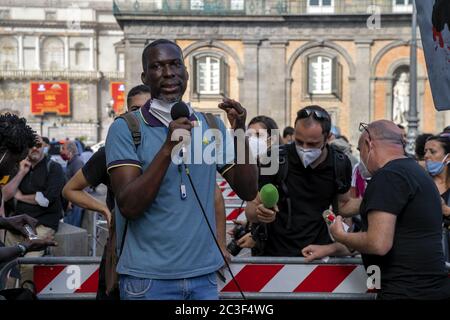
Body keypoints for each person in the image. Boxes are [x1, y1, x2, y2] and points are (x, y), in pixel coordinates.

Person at [105, 39, 257, 300]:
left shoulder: (210, 126)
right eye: (158, 66)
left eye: (175, 64)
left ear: (186, 73)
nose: (169, 73)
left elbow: (247, 189)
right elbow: (129, 205)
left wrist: (240, 130)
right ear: (145, 76)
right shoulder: (126, 128)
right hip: (148, 280)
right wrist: (167, 149)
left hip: (204, 277)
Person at [330, 120, 450, 300]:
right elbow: (348, 206)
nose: (361, 156)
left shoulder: (388, 176)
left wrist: (342, 235)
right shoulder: (416, 173)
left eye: (360, 150)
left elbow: (378, 243)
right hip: (431, 288)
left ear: (369, 144)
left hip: (404, 291)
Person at [62, 85, 151, 300]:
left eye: (147, 109)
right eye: (134, 109)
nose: (139, 115)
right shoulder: (108, 151)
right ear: (125, 112)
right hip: (121, 246)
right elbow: (70, 189)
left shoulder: (169, 148)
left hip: (161, 251)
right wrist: (104, 209)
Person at [245, 105, 361, 257]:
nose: (304, 149)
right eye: (299, 142)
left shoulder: (339, 162)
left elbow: (343, 205)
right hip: (273, 253)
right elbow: (251, 209)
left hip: (318, 252)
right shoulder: (273, 158)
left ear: (328, 137)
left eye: (312, 144)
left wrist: (371, 201)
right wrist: (261, 213)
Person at [3, 135, 64, 286]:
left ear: (44, 146)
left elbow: (46, 200)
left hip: (41, 225)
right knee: (7, 266)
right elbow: (5, 195)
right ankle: (8, 294)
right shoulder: (18, 167)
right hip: (16, 226)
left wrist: (21, 196)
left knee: (28, 265)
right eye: (31, 145)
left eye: (38, 144)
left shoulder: (53, 168)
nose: (35, 148)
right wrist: (21, 173)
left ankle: (26, 294)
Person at [0, 114, 56, 264]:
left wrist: (6, 222)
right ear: (4, 153)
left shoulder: (53, 168)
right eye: (15, 161)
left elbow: (47, 199)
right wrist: (23, 247)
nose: (14, 167)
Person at [424, 134, 450, 261]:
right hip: (426, 255)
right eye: (425, 151)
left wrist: (445, 210)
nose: (427, 156)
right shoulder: (420, 184)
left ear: (448, 157)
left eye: (432, 151)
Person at [61, 141, 85, 227]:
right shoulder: (70, 162)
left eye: (63, 149)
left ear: (70, 151)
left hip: (75, 204)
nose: (61, 151)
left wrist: (71, 201)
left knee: (73, 227)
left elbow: (79, 184)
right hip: (71, 201)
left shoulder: (77, 162)